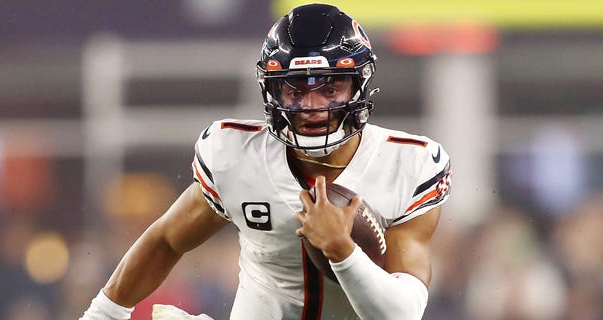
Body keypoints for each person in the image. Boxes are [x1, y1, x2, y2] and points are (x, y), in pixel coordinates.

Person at [80, 3, 452, 320]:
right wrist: (102, 314)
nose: (312, 106)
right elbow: (166, 240)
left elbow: (403, 312)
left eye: (330, 87)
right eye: (295, 89)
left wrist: (342, 250)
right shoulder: (236, 155)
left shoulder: (410, 164)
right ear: (271, 90)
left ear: (359, 85)